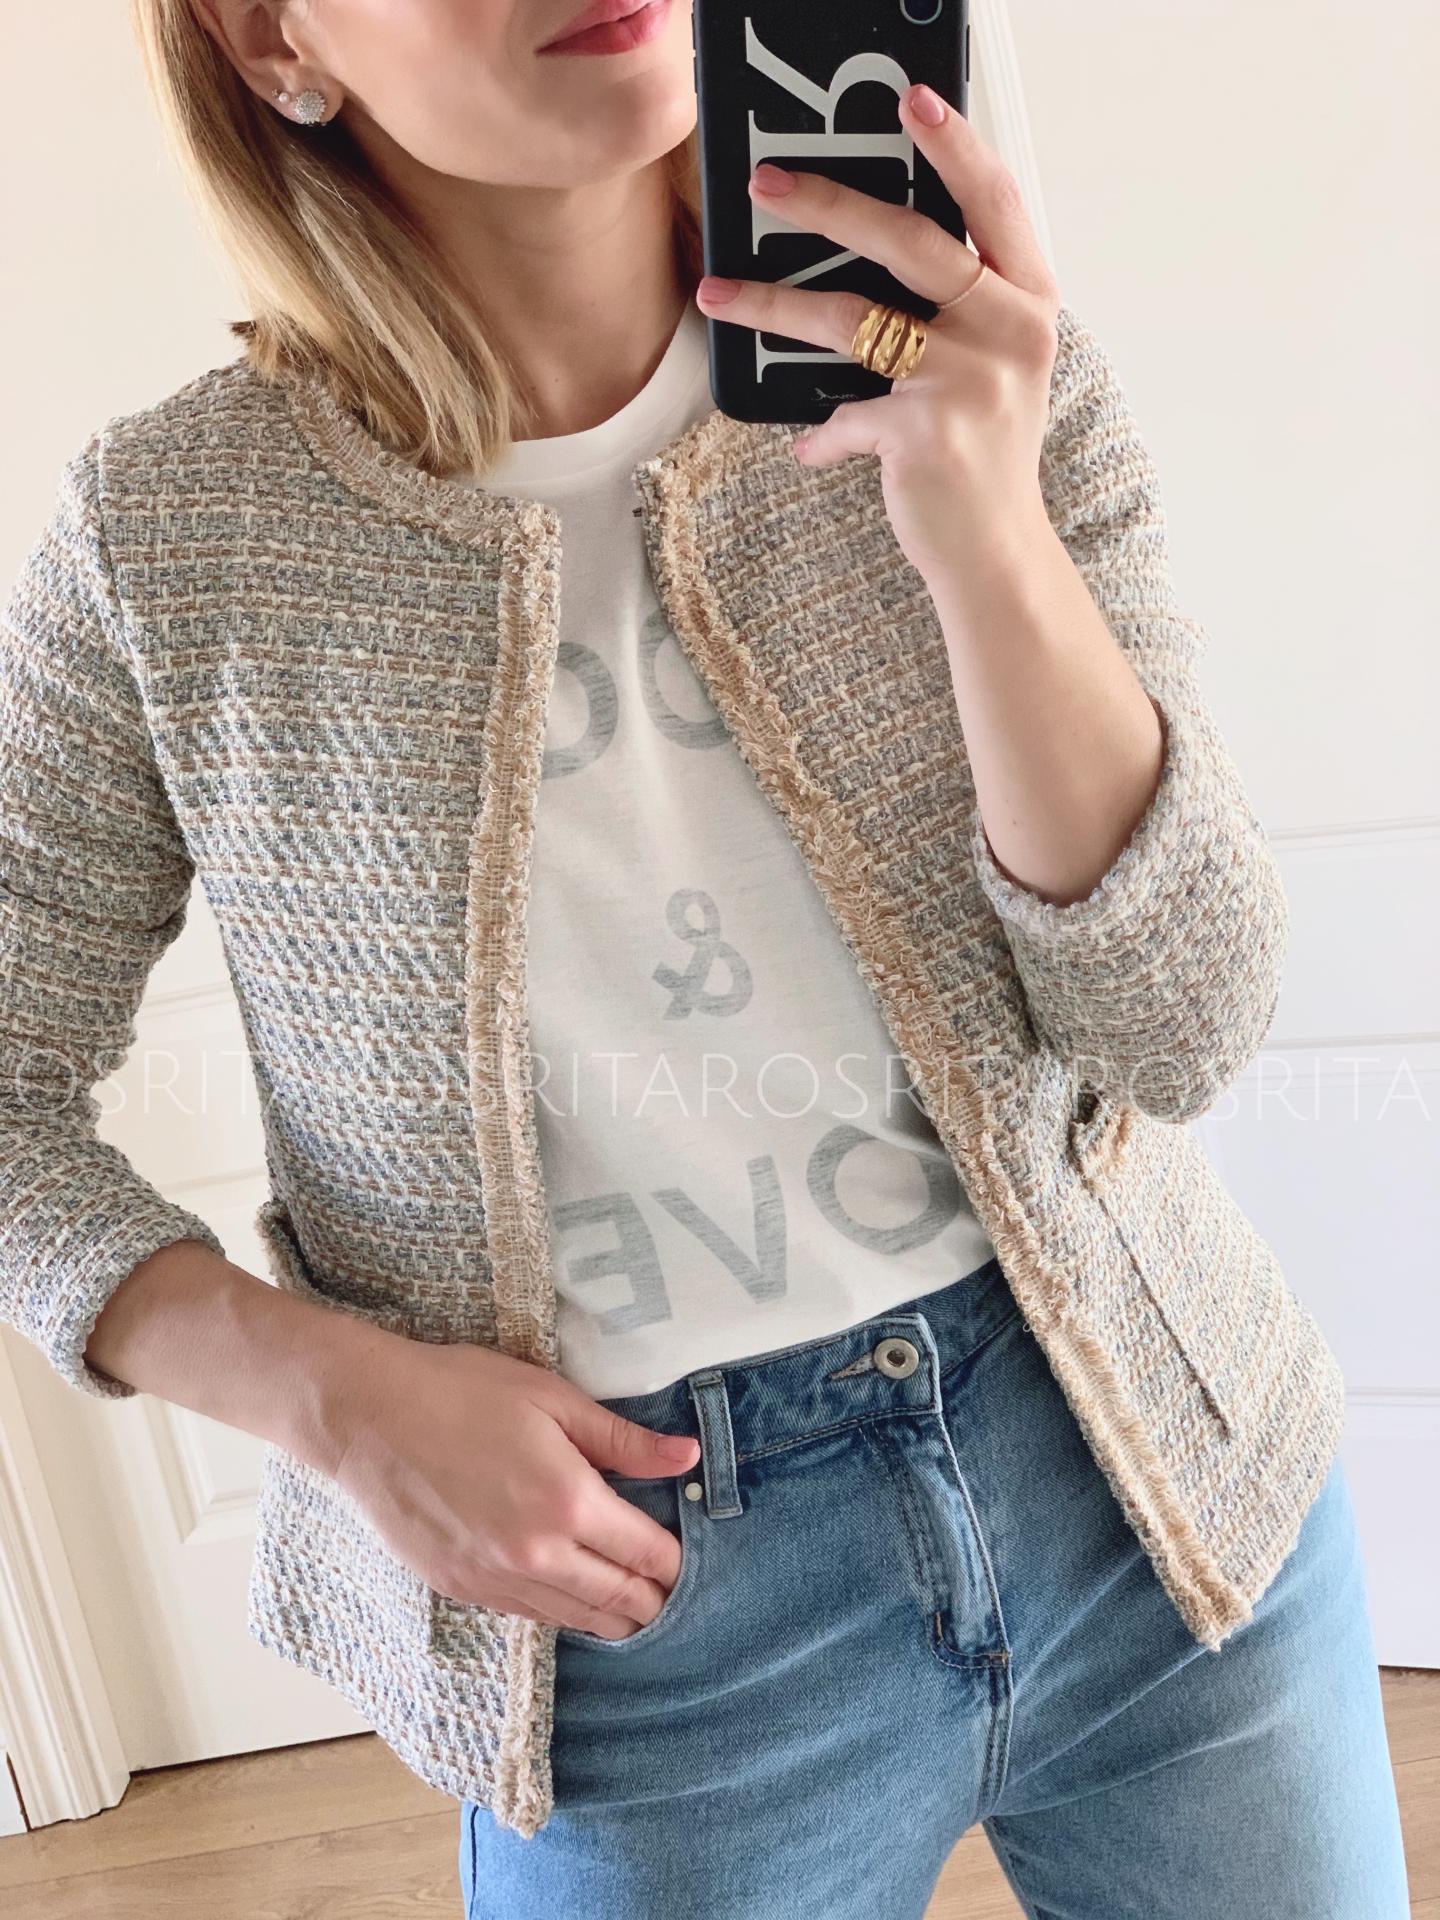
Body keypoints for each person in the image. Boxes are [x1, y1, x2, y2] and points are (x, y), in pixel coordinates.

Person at [0, 1, 1411, 1915]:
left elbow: (1184, 1027)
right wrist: (328, 1397)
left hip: (1148, 1492)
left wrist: (986, 535)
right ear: (273, 41)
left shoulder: (963, 354)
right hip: (644, 1636)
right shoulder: (174, 541)